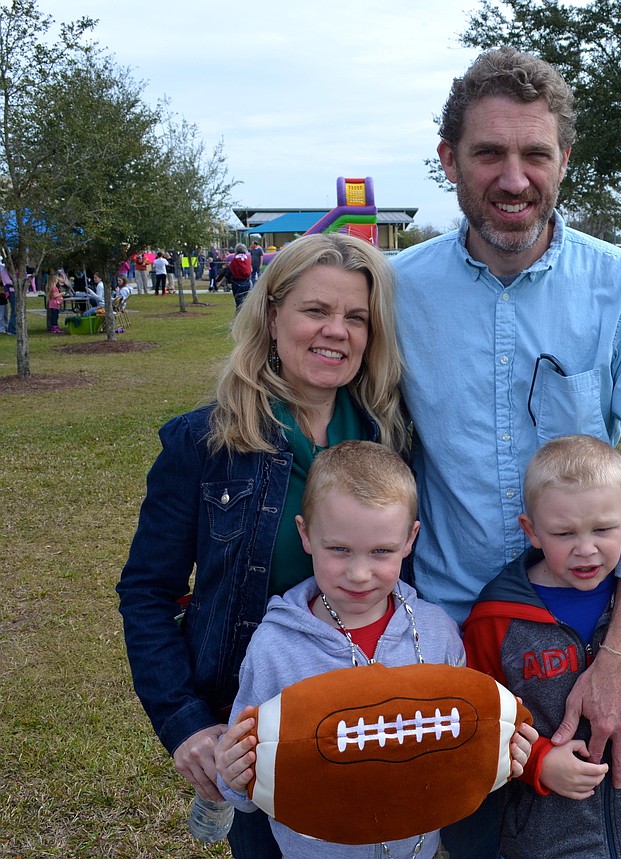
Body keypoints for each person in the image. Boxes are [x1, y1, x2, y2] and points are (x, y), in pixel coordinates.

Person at [392, 46, 621, 856]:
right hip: (454, 647)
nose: (513, 178)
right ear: (450, 159)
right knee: (470, 843)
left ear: (565, 159)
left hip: (583, 649)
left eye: (535, 153)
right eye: (489, 152)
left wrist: (620, 658)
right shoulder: (394, 292)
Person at [117, 233, 407, 858]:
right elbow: (146, 593)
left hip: (380, 722)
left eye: (356, 317)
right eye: (315, 311)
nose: (337, 331)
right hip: (258, 738)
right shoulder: (205, 442)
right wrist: (184, 722)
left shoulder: (394, 436)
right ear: (273, 315)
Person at [215, 441, 462, 857]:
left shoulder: (437, 633)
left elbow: (458, 741)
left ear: (409, 539)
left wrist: (500, 743)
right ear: (306, 534)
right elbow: (245, 780)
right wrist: (232, 775)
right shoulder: (275, 646)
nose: (359, 573)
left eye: (381, 551)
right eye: (339, 550)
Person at [463, 435, 621, 859]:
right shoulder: (495, 619)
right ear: (531, 531)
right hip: (545, 838)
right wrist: (540, 763)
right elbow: (482, 714)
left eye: (603, 529)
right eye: (564, 533)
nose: (585, 549)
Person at [228, 242, 253, 308]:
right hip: (246, 282)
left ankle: (239, 316)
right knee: (245, 301)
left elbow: (231, 270)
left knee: (239, 303)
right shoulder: (247, 259)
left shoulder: (235, 260)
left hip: (237, 283)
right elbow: (250, 270)